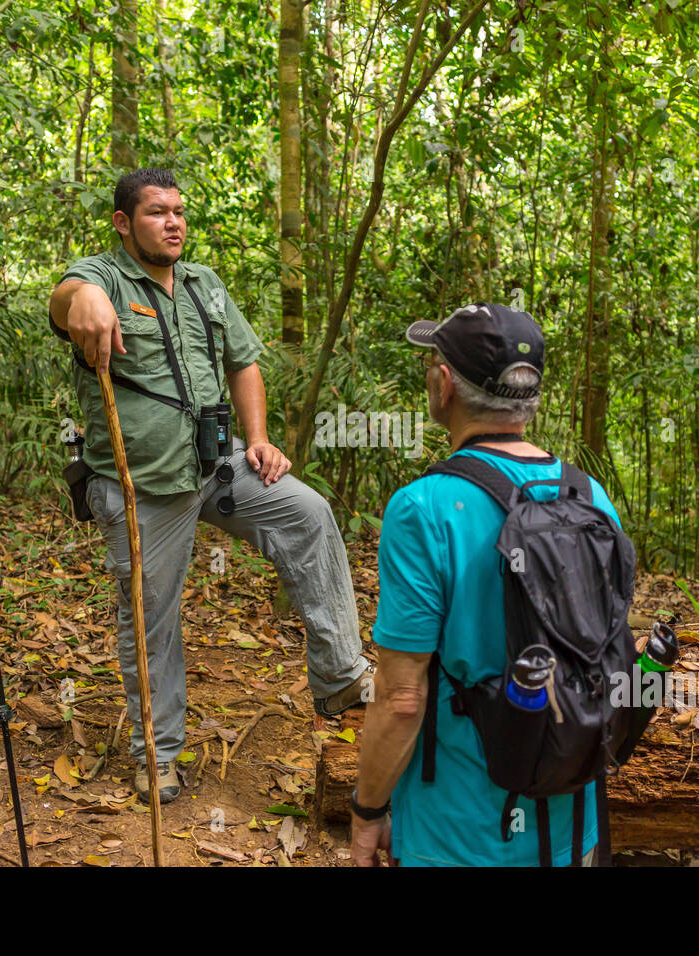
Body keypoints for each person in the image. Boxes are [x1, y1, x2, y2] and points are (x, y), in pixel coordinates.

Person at [48, 168, 371, 803]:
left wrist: (259, 437)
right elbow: (66, 299)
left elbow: (243, 361)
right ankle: (157, 754)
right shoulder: (105, 278)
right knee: (152, 621)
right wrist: (79, 297)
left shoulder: (204, 284)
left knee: (306, 512)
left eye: (178, 212)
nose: (172, 223)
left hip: (216, 465)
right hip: (143, 487)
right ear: (123, 223)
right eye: (155, 213)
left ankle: (339, 676)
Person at [351, 303, 625, 866]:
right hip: (573, 827)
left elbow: (403, 699)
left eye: (433, 362)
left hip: (457, 834)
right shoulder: (592, 499)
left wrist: (367, 811)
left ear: (444, 383)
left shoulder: (422, 509)